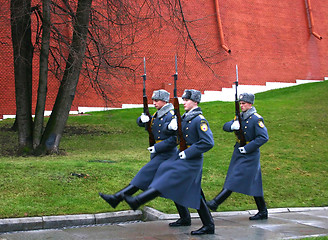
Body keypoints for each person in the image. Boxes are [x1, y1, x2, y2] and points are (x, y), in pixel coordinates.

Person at [123, 89, 216, 235]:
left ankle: (208, 225)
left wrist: (187, 152)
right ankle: (191, 219)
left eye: (187, 100)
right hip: (183, 158)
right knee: (186, 188)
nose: (184, 102)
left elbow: (208, 142)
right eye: (183, 99)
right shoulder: (186, 118)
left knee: (192, 190)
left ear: (195, 102)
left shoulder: (199, 120)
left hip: (192, 160)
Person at [99, 89, 191, 227]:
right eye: (152, 100)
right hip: (158, 155)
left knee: (143, 175)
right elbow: (148, 125)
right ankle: (185, 218)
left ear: (165, 101)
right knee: (172, 187)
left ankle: (116, 198)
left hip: (167, 155)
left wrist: (157, 147)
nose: (153, 103)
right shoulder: (157, 114)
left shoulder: (171, 116)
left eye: (156, 100)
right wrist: (141, 120)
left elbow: (176, 139)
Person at [206, 93, 269, 220]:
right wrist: (232, 126)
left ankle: (215, 202)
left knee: (235, 177)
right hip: (239, 152)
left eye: (244, 103)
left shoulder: (256, 119)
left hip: (250, 154)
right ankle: (263, 211)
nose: (241, 106)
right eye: (240, 103)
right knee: (254, 182)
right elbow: (225, 127)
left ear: (250, 104)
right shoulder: (239, 117)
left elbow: (263, 137)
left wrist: (247, 148)